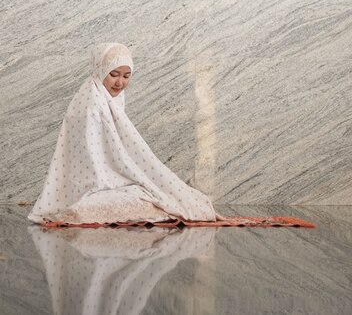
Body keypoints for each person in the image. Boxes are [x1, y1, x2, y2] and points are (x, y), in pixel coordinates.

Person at [27, 42, 221, 226]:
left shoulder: (108, 97)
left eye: (126, 76)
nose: (120, 82)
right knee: (138, 199)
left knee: (156, 194)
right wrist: (120, 178)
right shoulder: (91, 101)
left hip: (111, 180)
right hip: (91, 185)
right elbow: (90, 159)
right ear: (100, 70)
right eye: (114, 74)